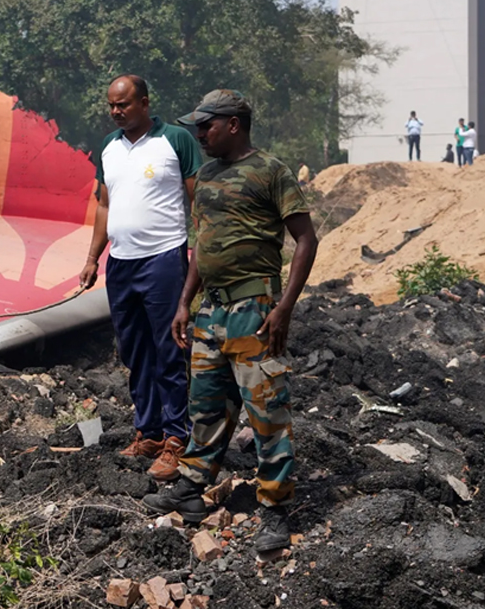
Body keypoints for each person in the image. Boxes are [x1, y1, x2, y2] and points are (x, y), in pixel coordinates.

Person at [143, 89, 318, 555]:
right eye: (198, 127)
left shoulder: (270, 171)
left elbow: (305, 239)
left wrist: (284, 307)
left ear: (234, 124)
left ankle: (275, 507)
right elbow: (202, 245)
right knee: (207, 404)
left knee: (266, 412)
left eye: (207, 126)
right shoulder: (208, 176)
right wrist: (186, 301)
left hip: (254, 310)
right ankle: (193, 487)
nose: (199, 134)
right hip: (211, 312)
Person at [78, 74, 201, 481]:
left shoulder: (176, 141)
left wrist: (202, 249)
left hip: (163, 258)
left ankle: (176, 437)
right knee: (134, 351)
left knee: (169, 349)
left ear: (145, 103)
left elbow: (197, 197)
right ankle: (147, 431)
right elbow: (103, 207)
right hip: (122, 263)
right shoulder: (109, 149)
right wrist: (94, 257)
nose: (116, 112)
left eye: (124, 104)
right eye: (111, 106)